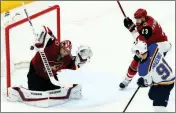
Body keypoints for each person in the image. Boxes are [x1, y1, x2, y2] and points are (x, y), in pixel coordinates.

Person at [7, 26, 93, 107]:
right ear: (60, 46)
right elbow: (46, 29)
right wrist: (41, 40)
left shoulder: (67, 58)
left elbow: (75, 65)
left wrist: (82, 58)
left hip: (50, 77)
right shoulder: (53, 45)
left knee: (55, 91)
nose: (64, 52)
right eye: (63, 49)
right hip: (36, 71)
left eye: (67, 51)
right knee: (36, 90)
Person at [119, 8, 171, 88]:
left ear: (143, 18)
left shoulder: (148, 26)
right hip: (153, 43)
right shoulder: (146, 20)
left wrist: (132, 30)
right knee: (138, 58)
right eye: (136, 19)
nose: (137, 21)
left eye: (138, 19)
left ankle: (150, 80)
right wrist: (132, 26)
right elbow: (141, 35)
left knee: (144, 60)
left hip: (161, 45)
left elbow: (141, 40)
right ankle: (127, 79)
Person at [132, 40, 174, 112]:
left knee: (158, 108)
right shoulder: (154, 47)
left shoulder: (142, 69)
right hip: (170, 76)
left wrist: (143, 82)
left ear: (139, 53)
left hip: (164, 84)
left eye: (136, 52)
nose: (136, 54)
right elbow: (168, 45)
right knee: (151, 95)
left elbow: (148, 82)